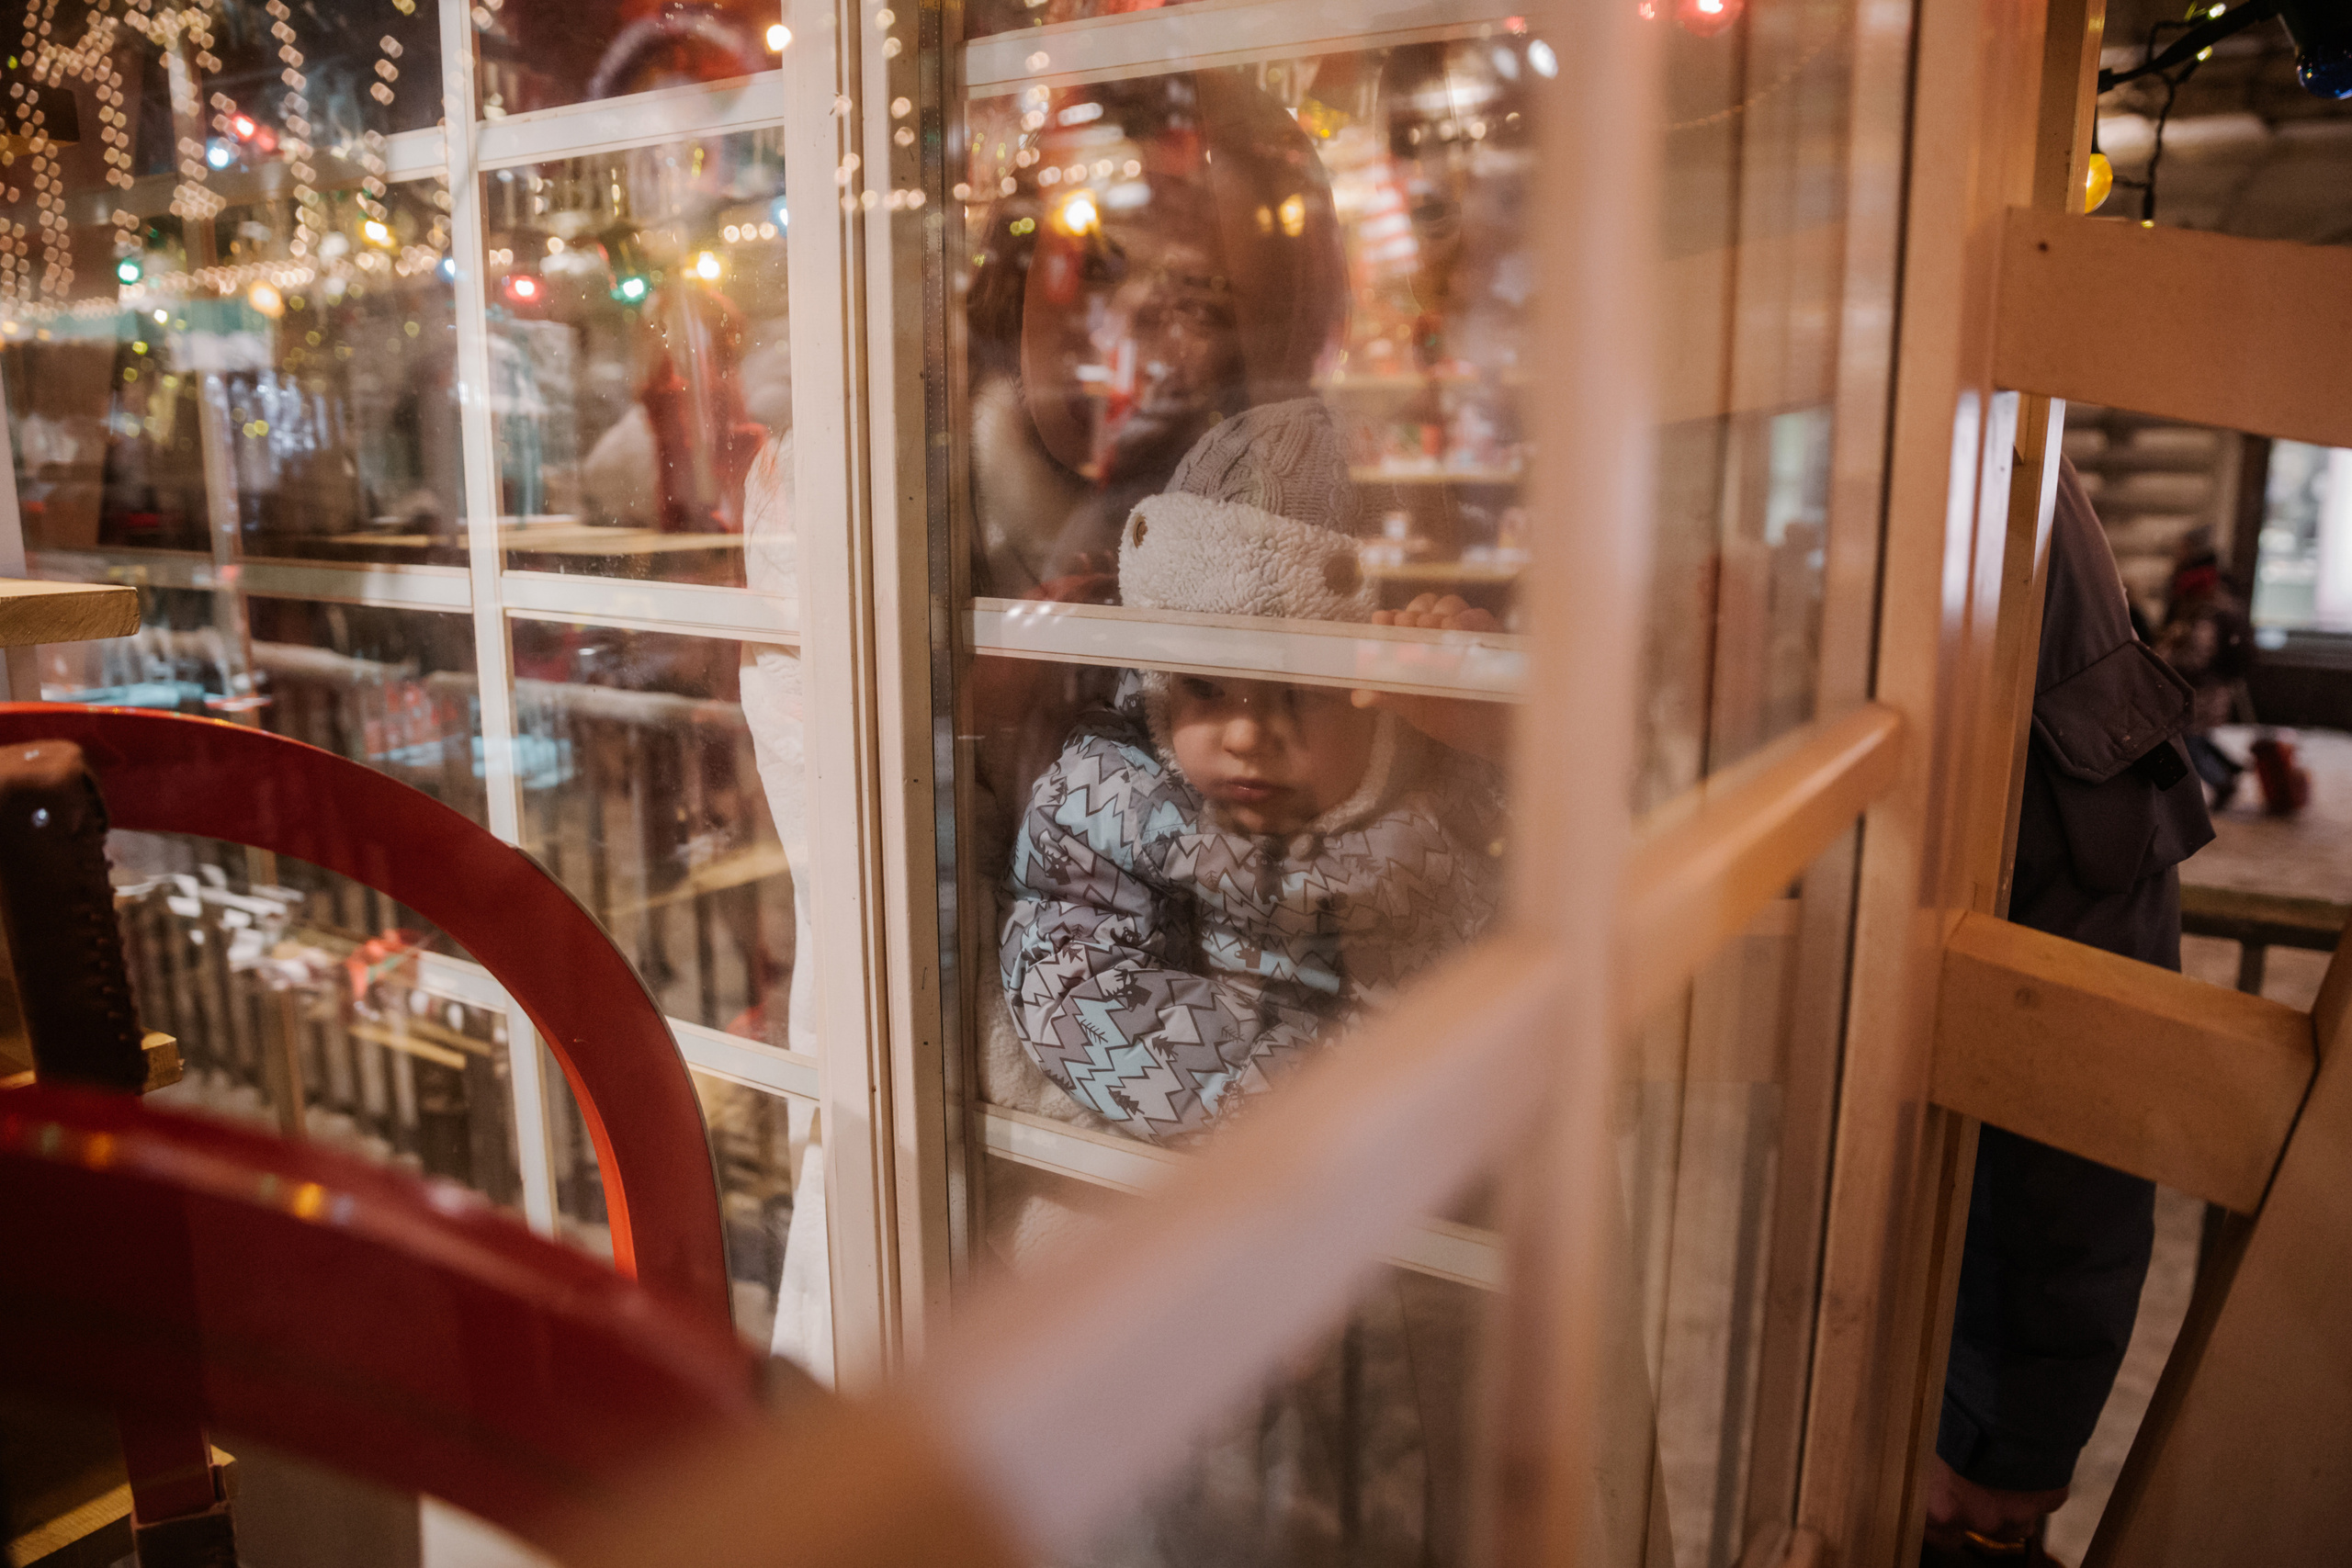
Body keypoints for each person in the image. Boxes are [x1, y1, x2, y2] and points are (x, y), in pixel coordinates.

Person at [998, 399, 1506, 1145]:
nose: (1244, 734)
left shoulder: (1448, 796)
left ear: (1394, 707)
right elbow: (1072, 989)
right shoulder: (1112, 796)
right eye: (1204, 687)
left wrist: (1494, 730)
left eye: (1303, 695)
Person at [1925, 460, 2214, 1565]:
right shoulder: (1998, 470)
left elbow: (2075, 1073)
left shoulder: (1985, 486)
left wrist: (2005, 1435)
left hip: (1960, 1394)